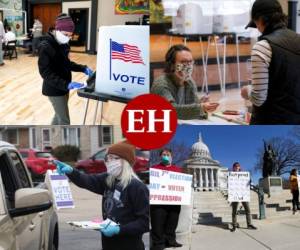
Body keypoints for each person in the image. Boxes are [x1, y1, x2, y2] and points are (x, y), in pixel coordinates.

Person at [55, 141, 149, 250]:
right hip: (108, 245)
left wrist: (119, 229)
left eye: (114, 158)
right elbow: (86, 180)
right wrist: (71, 171)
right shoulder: (108, 180)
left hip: (130, 246)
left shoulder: (137, 187)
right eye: (107, 158)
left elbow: (145, 222)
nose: (109, 161)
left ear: (125, 161)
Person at [241, 0, 300, 124]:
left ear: (260, 19)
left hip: (270, 120)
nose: (258, 29)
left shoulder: (262, 47)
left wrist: (247, 91)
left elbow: (258, 98)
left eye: (256, 24)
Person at [38, 13, 93, 125]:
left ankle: (47, 136)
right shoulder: (45, 46)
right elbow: (45, 73)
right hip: (54, 88)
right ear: (57, 30)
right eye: (66, 34)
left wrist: (83, 68)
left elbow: (66, 63)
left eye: (70, 35)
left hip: (64, 86)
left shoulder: (64, 44)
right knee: (64, 121)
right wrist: (66, 84)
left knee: (59, 116)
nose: (68, 38)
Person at [151, 44, 219, 120]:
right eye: (183, 62)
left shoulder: (189, 83)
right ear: (172, 65)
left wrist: (202, 106)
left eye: (190, 62)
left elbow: (191, 111)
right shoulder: (161, 85)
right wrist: (200, 108)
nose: (188, 66)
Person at [150, 148, 183, 250]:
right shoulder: (154, 169)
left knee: (172, 222)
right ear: (160, 156)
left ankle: (171, 241)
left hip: (174, 201)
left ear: (171, 156)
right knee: (157, 223)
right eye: (163, 154)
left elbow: (182, 185)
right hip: (158, 202)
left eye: (167, 154)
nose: (165, 156)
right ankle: (158, 244)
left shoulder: (178, 170)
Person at [231, 162, 257, 232]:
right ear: (233, 168)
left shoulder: (244, 175)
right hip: (235, 194)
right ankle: (234, 225)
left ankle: (249, 224)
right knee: (234, 211)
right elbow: (230, 185)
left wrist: (249, 180)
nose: (236, 168)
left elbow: (249, 182)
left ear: (239, 167)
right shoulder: (231, 175)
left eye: (237, 166)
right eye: (235, 166)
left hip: (243, 194)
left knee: (248, 210)